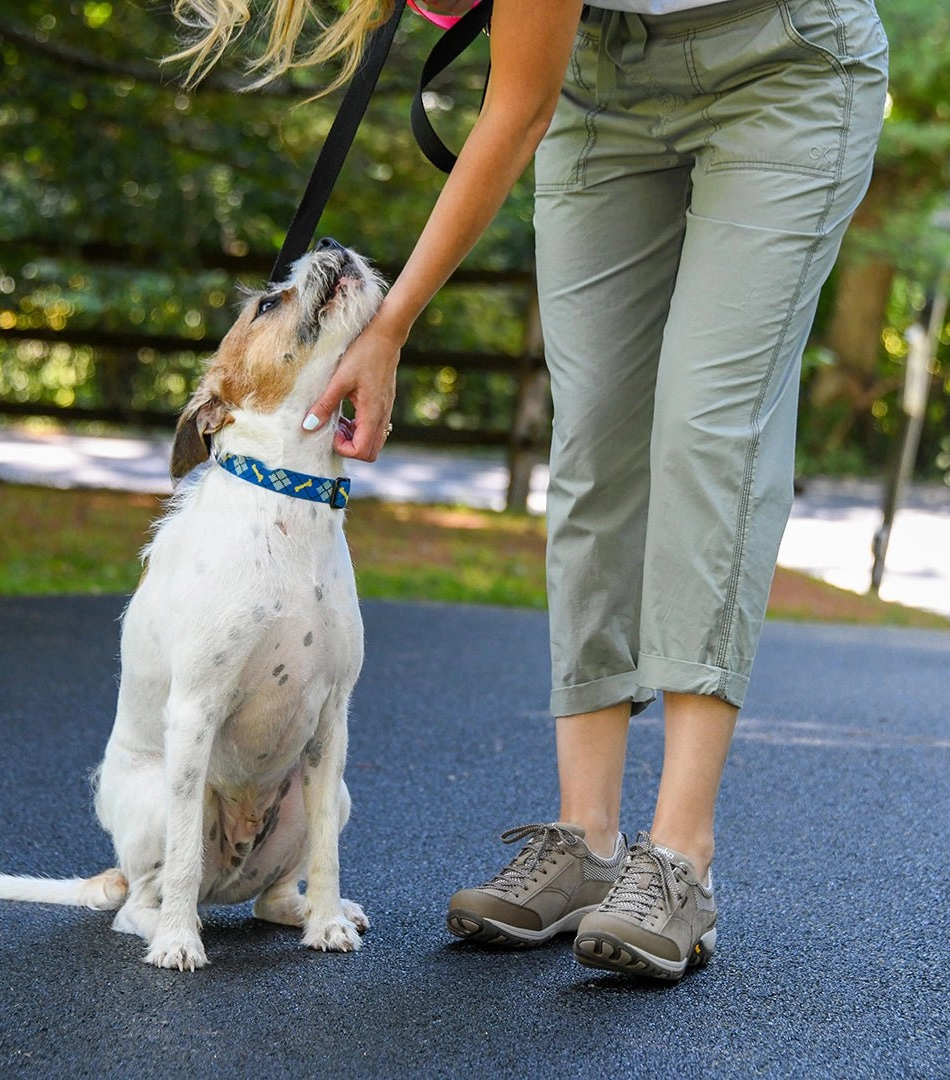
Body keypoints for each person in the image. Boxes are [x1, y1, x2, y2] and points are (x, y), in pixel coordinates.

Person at [170, 0, 888, 980]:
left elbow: (513, 111)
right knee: (592, 439)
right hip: (605, 76)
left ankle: (679, 857)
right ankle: (587, 840)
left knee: (704, 428)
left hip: (784, 62)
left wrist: (388, 327)